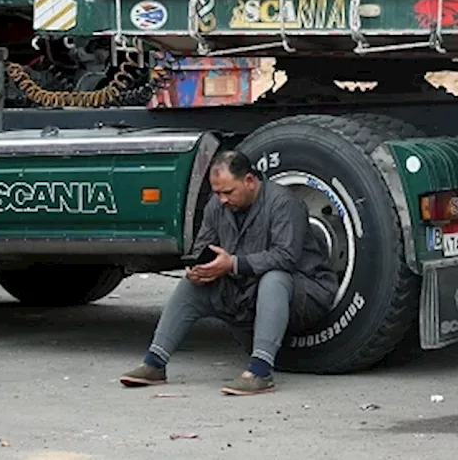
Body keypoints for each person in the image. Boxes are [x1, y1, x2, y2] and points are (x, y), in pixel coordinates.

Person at [118, 150, 337, 395]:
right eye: (217, 193)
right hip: (245, 288)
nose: (222, 199)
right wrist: (200, 268)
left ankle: (260, 372)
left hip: (304, 291)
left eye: (228, 192)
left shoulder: (284, 203)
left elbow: (285, 258)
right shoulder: (217, 205)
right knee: (192, 286)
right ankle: (155, 363)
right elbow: (203, 246)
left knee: (274, 278)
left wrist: (232, 264)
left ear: (250, 181)